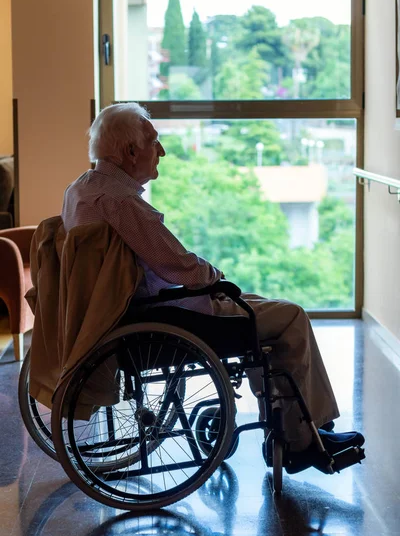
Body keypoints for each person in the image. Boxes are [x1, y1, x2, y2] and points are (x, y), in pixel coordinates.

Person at [61, 103, 364, 473]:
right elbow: (179, 266)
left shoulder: (81, 189)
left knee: (263, 309)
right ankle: (303, 438)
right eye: (154, 142)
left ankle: (299, 428)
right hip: (162, 316)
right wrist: (214, 275)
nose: (162, 152)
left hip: (126, 311)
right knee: (289, 317)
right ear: (129, 152)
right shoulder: (121, 202)